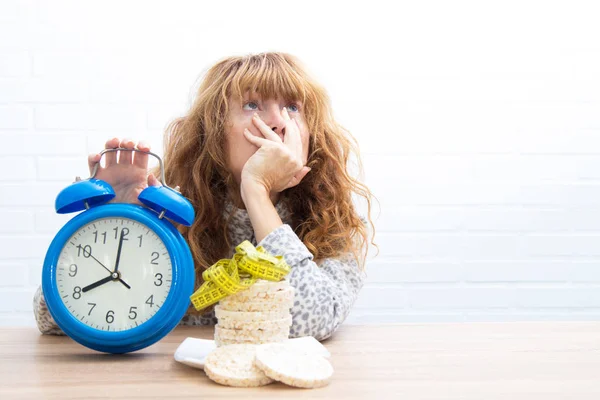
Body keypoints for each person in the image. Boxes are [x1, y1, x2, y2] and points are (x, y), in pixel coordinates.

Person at [33, 52, 377, 341]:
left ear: (310, 132)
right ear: (214, 133)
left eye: (292, 107)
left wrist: (257, 192)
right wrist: (116, 223)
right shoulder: (171, 214)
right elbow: (50, 318)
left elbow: (311, 323)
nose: (276, 123)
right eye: (252, 105)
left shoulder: (336, 223)